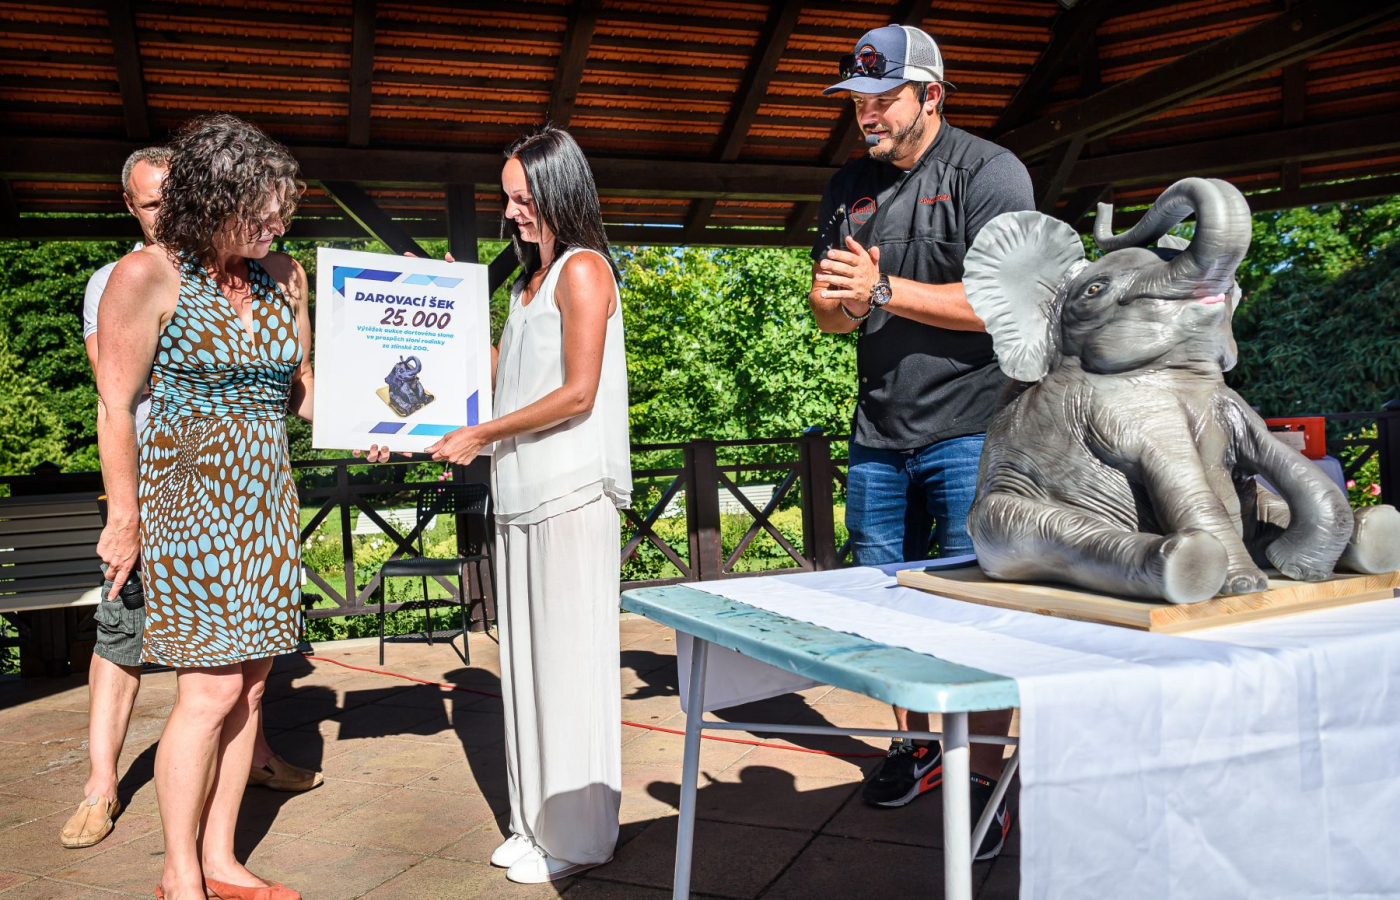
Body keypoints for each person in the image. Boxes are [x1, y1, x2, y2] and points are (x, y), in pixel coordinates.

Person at [366, 125, 632, 884]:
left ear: (561, 193)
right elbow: (503, 377)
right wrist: (439, 310)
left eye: (525, 197)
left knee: (570, 669)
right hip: (520, 495)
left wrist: (479, 432)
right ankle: (534, 819)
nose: (512, 210)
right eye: (507, 197)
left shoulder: (583, 270)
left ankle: (580, 837)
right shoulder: (527, 286)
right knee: (526, 669)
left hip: (570, 496)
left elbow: (576, 393)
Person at [807, 25, 1033, 857]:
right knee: (882, 604)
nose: (865, 113)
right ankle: (919, 747)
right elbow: (830, 314)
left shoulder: (990, 171)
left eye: (882, 98)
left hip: (975, 426)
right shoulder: (848, 184)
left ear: (931, 95)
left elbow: (1009, 303)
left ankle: (985, 777)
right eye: (858, 100)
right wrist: (851, 302)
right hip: (877, 432)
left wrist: (885, 289)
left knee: (982, 611)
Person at [64, 147, 321, 853]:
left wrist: (377, 422)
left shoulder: (285, 275)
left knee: (250, 692)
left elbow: (299, 389)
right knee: (207, 693)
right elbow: (114, 404)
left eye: (283, 209)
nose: (279, 223)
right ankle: (180, 872)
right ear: (218, 200)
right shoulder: (144, 274)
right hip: (188, 500)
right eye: (264, 210)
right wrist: (124, 517)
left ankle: (222, 859)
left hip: (267, 500)